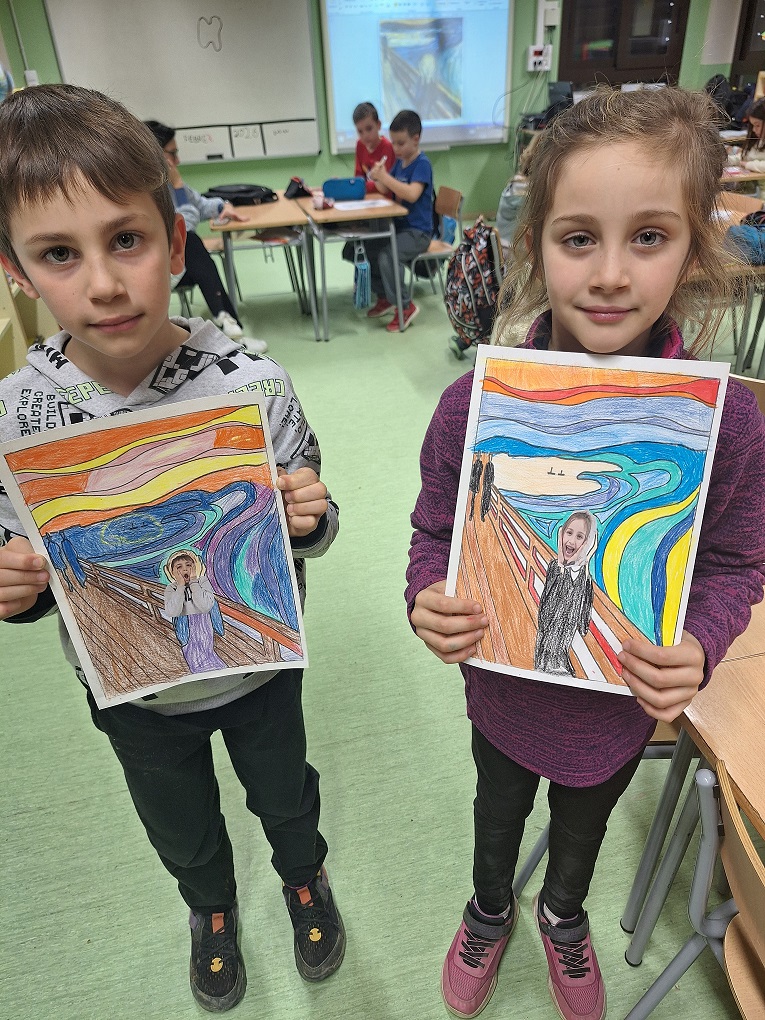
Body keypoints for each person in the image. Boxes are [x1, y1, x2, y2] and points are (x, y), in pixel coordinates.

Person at [405, 86, 765, 1020]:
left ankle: (561, 916)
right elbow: (436, 532)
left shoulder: (727, 426)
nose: (609, 274)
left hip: (613, 714)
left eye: (647, 236)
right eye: (577, 238)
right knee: (495, 818)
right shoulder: (471, 409)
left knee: (580, 832)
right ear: (535, 247)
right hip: (501, 695)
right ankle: (489, 909)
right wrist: (427, 597)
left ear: (694, 250)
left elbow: (734, 564)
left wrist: (699, 643)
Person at [0, 84, 343, 1014]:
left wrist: (309, 518)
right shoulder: (17, 419)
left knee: (286, 795)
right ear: (18, 272)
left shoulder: (252, 384)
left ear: (176, 243)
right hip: (136, 698)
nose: (103, 283)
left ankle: (303, 877)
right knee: (178, 821)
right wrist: (19, 588)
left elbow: (313, 513)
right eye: (59, 254)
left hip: (259, 671)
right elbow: (31, 562)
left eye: (127, 240)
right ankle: (211, 907)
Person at [144, 119, 267, 355]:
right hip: (159, 271)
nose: (178, 160)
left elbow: (199, 205)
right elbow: (183, 225)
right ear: (155, 154)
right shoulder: (144, 190)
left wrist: (223, 206)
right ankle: (229, 325)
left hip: (183, 265)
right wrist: (177, 185)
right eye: (172, 153)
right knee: (190, 241)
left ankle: (227, 321)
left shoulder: (171, 183)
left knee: (193, 247)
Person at [365, 109, 434, 332]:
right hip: (401, 228)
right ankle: (385, 297)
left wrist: (385, 177)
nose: (396, 148)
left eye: (401, 143)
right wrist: (378, 176)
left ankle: (405, 306)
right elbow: (386, 188)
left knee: (388, 256)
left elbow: (411, 194)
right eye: (393, 143)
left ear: (416, 139)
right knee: (372, 246)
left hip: (418, 233)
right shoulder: (400, 163)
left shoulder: (422, 164)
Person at [534, 512, 596, 677]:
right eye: (568, 533)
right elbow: (544, 617)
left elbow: (583, 626)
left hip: (561, 664)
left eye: (580, 537)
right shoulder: (555, 568)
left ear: (587, 543)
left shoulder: (585, 581)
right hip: (543, 660)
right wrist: (562, 563)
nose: (571, 541)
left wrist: (587, 558)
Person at [163, 550, 227, 673]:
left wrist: (193, 581)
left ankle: (212, 665)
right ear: (172, 572)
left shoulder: (202, 582)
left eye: (188, 565)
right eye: (179, 567)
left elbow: (205, 606)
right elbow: (172, 611)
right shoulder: (171, 588)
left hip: (204, 622)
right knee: (191, 653)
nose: (185, 569)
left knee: (207, 648)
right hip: (186, 625)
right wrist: (180, 586)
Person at [352, 101, 394, 194]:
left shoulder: (387, 147)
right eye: (360, 131)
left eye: (369, 129)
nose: (365, 136)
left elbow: (386, 186)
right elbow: (358, 178)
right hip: (367, 197)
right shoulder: (360, 144)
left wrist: (362, 186)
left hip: (384, 198)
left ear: (378, 125)